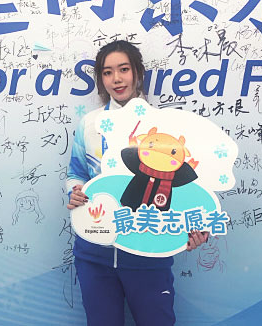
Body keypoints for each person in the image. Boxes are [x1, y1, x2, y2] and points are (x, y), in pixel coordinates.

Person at [66, 40, 209, 326]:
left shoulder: (167, 127)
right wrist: (75, 191)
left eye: (124, 69)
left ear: (138, 73)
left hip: (149, 251)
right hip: (95, 252)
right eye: (107, 72)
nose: (116, 79)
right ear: (101, 79)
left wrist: (198, 225)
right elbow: (76, 173)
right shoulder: (90, 125)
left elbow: (189, 188)